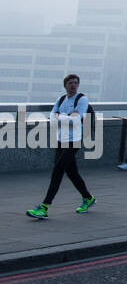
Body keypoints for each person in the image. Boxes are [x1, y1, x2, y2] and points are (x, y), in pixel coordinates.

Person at [27, 74, 96, 220]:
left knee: (58, 170)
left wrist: (60, 116)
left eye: (76, 83)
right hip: (61, 140)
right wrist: (64, 117)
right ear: (65, 85)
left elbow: (75, 120)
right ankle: (88, 198)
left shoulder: (81, 99)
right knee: (72, 173)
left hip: (75, 140)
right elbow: (52, 118)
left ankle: (44, 207)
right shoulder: (61, 99)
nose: (73, 85)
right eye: (70, 83)